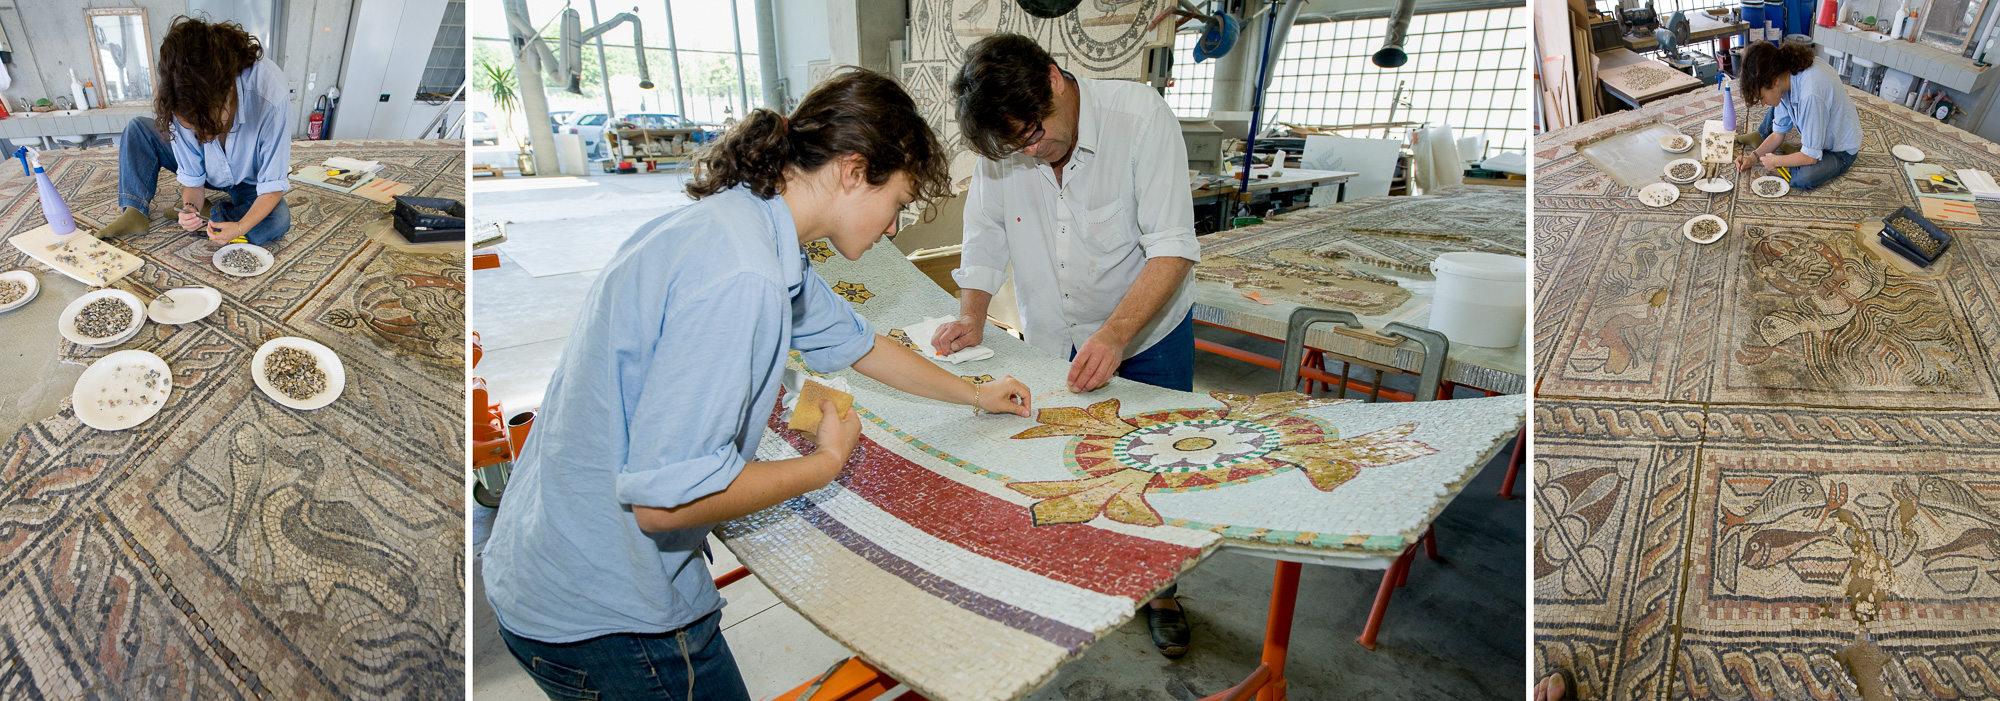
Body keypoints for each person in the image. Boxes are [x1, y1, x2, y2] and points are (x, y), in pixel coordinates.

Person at [481, 70, 1034, 700]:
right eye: (898, 205)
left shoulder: (748, 229)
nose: (892, 228)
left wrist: (974, 394)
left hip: (551, 558)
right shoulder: (744, 276)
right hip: (608, 617)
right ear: (853, 171)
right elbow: (667, 504)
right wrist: (827, 463)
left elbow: (858, 343)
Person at [930, 33, 1201, 658]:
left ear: (1053, 79)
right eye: (1014, 145)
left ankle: (1162, 589)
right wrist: (971, 316)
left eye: (1034, 134)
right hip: (1054, 336)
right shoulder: (1009, 142)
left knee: (1151, 466)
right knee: (1065, 460)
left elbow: (1171, 247)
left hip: (1148, 335)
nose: (1030, 150)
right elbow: (986, 230)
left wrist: (1115, 334)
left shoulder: (1139, 118)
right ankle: (1081, 571)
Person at [97, 16, 291, 245]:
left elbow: (272, 188)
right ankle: (135, 210)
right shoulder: (179, 93)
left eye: (209, 127)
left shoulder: (270, 94)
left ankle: (215, 215)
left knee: (278, 219)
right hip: (208, 172)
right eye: (193, 129)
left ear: (228, 89)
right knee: (138, 129)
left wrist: (240, 227)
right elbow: (193, 181)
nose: (202, 137)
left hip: (249, 180)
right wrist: (190, 207)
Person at [1734, 41, 1861, 191]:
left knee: (1802, 178)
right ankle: (1801, 148)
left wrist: (1776, 161)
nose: (1762, 103)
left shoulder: (1810, 93)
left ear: (1774, 81)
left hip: (1841, 152)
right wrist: (1753, 158)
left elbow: (1811, 158)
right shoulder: (1784, 75)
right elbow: (1777, 135)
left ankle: (1802, 149)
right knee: (1774, 107)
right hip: (1820, 128)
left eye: (1762, 96)